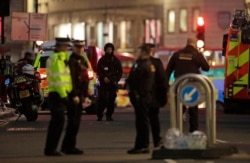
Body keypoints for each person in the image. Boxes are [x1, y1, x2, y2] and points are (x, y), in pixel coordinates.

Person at [165, 37, 210, 133]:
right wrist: (200, 55)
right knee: (193, 109)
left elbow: (168, 71)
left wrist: (166, 87)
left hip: (179, 84)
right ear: (195, 44)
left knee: (179, 108)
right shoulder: (197, 54)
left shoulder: (177, 54)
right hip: (193, 85)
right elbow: (206, 68)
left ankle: (176, 130)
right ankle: (193, 132)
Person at [44, 37, 73, 156]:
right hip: (57, 94)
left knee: (57, 122)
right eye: (66, 46)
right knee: (57, 122)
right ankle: (51, 149)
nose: (67, 48)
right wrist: (64, 96)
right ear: (60, 46)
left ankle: (51, 149)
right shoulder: (56, 59)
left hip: (59, 93)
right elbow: (59, 79)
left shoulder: (62, 58)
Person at [60, 40, 90, 155]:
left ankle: (70, 146)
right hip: (74, 95)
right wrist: (73, 95)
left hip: (80, 95)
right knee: (72, 122)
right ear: (74, 48)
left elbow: (85, 78)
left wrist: (85, 95)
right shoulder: (71, 61)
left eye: (82, 47)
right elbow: (71, 79)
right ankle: (67, 147)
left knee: (76, 123)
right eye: (78, 47)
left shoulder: (82, 60)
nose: (80, 49)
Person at [126, 44, 155, 154]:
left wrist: (139, 94)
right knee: (140, 122)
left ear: (143, 52)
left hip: (142, 97)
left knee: (143, 122)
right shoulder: (140, 63)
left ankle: (143, 145)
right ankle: (140, 145)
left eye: (139, 51)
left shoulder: (146, 65)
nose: (137, 53)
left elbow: (144, 83)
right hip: (139, 96)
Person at [145, 43, 167, 148]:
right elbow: (163, 80)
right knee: (154, 120)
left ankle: (144, 143)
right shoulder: (157, 63)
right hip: (153, 97)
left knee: (143, 120)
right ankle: (156, 140)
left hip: (144, 96)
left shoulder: (139, 63)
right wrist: (163, 97)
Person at [96, 43, 122, 121]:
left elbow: (120, 71)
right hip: (103, 83)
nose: (109, 51)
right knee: (102, 99)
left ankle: (109, 115)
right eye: (107, 49)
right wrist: (103, 77)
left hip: (112, 83)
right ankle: (99, 115)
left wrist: (116, 80)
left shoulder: (115, 60)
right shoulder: (102, 60)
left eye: (110, 49)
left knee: (111, 99)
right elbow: (98, 70)